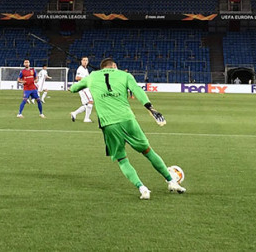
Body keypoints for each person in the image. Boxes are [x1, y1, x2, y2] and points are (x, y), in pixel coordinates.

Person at [70, 58, 186, 199]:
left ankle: (142, 189)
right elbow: (137, 91)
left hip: (109, 125)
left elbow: (73, 89)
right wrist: (150, 107)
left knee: (122, 159)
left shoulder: (92, 76)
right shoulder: (125, 75)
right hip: (128, 120)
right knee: (148, 151)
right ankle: (171, 181)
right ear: (115, 66)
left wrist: (84, 84)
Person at [70, 56, 94, 122]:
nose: (85, 62)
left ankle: (74, 113)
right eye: (84, 60)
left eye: (86, 60)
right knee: (90, 102)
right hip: (83, 88)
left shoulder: (86, 69)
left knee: (86, 104)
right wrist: (85, 79)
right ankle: (86, 119)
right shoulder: (80, 69)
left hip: (86, 88)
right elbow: (77, 78)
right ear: (81, 61)